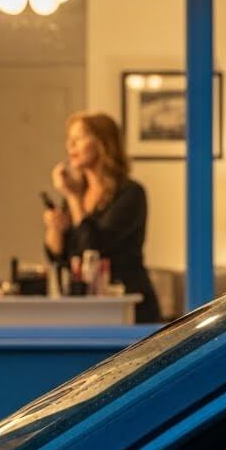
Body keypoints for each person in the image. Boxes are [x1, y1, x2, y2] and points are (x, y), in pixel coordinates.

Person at [43, 112, 162, 323]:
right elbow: (62, 258)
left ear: (102, 143)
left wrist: (72, 197)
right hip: (87, 309)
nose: (71, 145)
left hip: (128, 307)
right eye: (69, 138)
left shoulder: (130, 193)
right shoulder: (78, 194)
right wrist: (54, 229)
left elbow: (94, 250)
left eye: (79, 137)